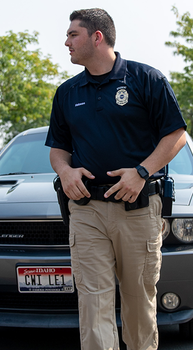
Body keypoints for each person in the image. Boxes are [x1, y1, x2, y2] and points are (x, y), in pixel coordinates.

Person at [45, 8, 187, 350]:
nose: (66, 42)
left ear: (97, 37)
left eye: (72, 35)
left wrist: (141, 172)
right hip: (86, 210)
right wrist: (65, 171)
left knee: (138, 302)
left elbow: (177, 135)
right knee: (93, 304)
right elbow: (58, 150)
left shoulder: (146, 79)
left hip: (137, 209)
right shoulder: (67, 92)